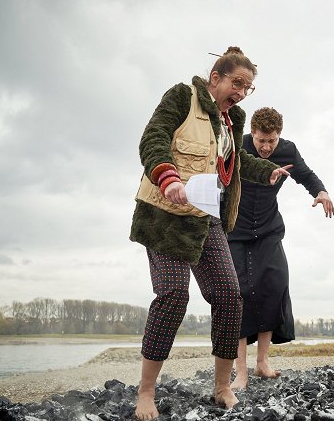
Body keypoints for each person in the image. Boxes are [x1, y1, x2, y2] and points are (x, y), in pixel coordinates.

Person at [128, 47, 291, 420]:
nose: (241, 92)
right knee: (172, 295)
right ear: (215, 77)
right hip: (165, 215)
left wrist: (265, 171)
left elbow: (232, 163)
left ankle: (221, 388)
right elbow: (152, 138)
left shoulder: (232, 119)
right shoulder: (182, 97)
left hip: (207, 218)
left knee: (230, 295)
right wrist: (167, 176)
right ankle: (146, 392)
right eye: (237, 83)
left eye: (247, 88)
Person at [228, 107, 334, 389]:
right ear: (252, 132)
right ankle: (240, 371)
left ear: (279, 136)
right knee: (238, 294)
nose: (266, 146)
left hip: (268, 228)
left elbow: (307, 175)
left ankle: (262, 361)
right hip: (234, 230)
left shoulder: (287, 151)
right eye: (261, 140)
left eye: (271, 141)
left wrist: (321, 192)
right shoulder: (237, 144)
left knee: (274, 285)